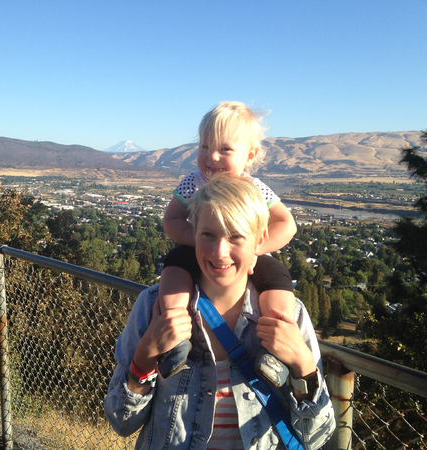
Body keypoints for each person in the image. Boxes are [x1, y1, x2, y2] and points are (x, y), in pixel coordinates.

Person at [104, 174, 335, 449]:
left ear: (259, 241)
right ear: (193, 234)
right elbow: (121, 422)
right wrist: (144, 358)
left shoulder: (290, 316)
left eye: (236, 236)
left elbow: (316, 437)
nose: (219, 252)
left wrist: (304, 367)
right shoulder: (152, 306)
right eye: (208, 235)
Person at [158, 101, 298, 381]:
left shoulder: (254, 188)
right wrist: (199, 242)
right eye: (205, 146)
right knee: (174, 266)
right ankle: (175, 337)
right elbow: (171, 220)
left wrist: (255, 250)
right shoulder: (193, 183)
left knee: (277, 278)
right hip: (199, 249)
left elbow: (287, 224)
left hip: (247, 253)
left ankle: (276, 350)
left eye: (225, 149)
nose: (212, 157)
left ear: (249, 155)